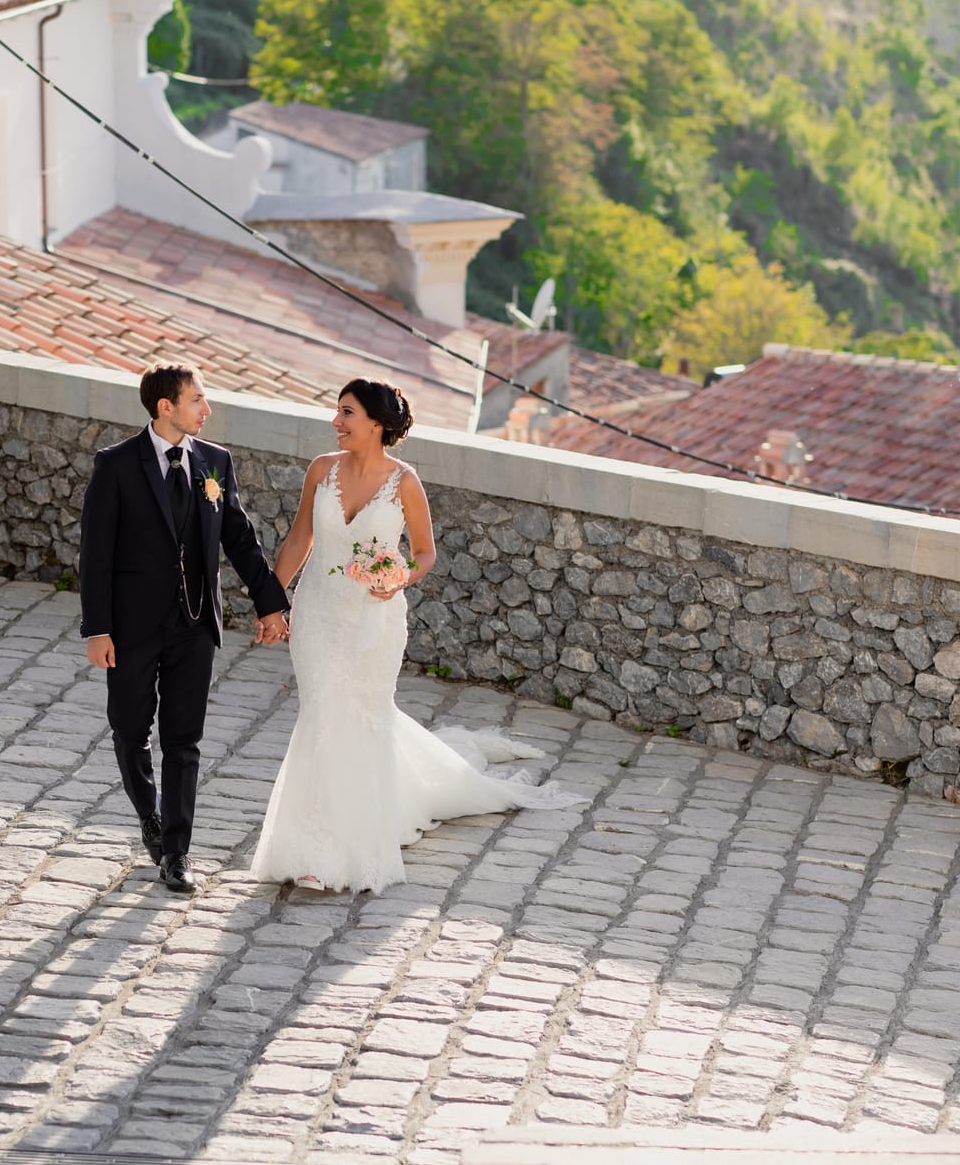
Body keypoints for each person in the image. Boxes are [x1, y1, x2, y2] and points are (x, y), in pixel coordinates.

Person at [251, 378, 587, 894]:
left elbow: (425, 553)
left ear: (377, 424)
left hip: (373, 621)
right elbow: (301, 538)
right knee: (321, 713)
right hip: (318, 614)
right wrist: (273, 602)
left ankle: (347, 842)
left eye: (346, 413)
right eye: (337, 412)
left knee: (359, 719)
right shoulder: (321, 470)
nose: (336, 422)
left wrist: (398, 577)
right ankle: (312, 845)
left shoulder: (404, 482)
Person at [79, 365, 291, 894]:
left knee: (184, 741)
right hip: (130, 629)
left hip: (195, 625)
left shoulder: (214, 463)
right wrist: (97, 629)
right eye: (198, 399)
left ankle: (176, 851)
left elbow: (239, 539)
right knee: (130, 732)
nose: (207, 409)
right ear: (166, 408)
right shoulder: (117, 465)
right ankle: (148, 815)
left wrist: (270, 605)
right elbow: (95, 553)